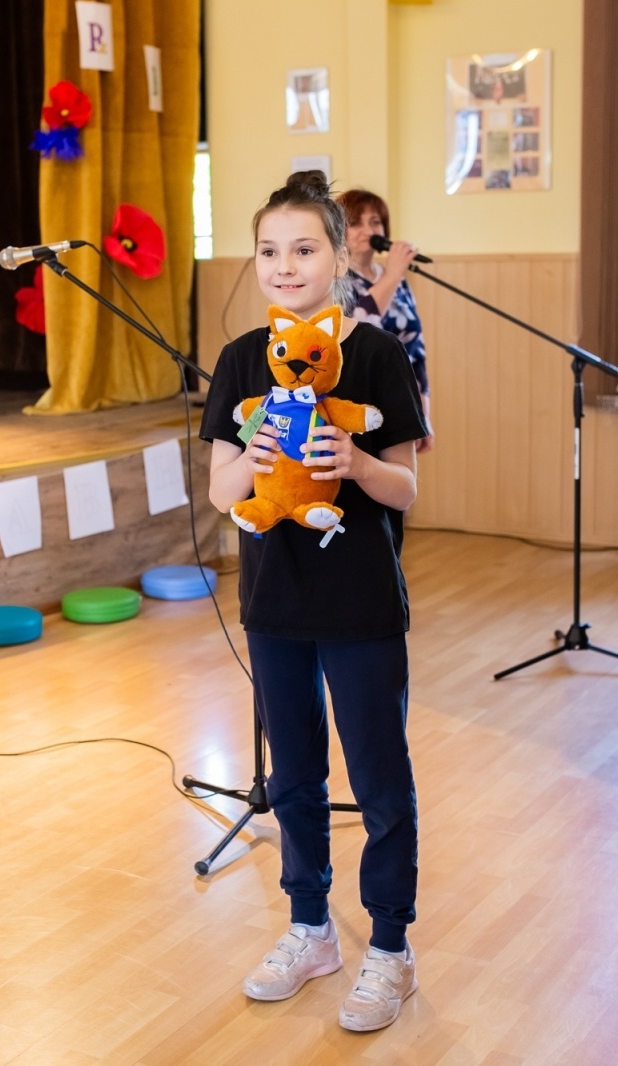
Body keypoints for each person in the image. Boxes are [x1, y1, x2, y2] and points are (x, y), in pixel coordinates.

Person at [200, 171, 428, 1031]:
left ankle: (392, 949)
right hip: (274, 605)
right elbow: (222, 489)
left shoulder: (372, 354)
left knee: (379, 781)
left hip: (361, 602)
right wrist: (253, 462)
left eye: (303, 250)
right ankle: (311, 928)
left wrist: (357, 467)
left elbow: (405, 488)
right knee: (290, 776)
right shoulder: (237, 362)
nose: (285, 267)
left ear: (340, 257)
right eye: (269, 251)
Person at [337, 189, 434, 452]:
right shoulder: (335, 280)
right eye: (355, 223)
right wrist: (392, 274)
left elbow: (416, 349)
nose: (367, 230)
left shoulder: (398, 280)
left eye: (375, 221)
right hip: (357, 402)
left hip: (400, 400)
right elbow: (359, 322)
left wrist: (423, 412)